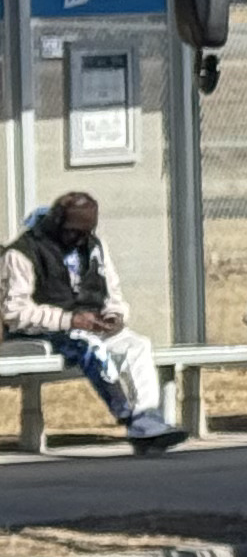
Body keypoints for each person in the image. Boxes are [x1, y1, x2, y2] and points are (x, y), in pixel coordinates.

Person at [3, 192, 190, 452]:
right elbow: (14, 313)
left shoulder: (94, 247)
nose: (79, 239)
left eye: (85, 232)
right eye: (73, 232)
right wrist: (69, 320)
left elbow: (112, 291)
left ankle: (147, 416)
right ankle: (130, 418)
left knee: (137, 345)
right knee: (89, 344)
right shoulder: (22, 253)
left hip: (89, 324)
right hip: (40, 334)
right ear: (56, 224)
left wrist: (114, 314)